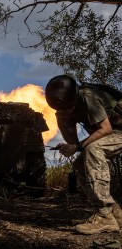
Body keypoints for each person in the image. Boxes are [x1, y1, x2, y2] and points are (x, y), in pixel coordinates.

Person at [45, 75, 122, 235]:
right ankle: (115, 213)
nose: (65, 111)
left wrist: (78, 146)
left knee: (93, 149)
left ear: (74, 98)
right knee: (79, 164)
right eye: (61, 109)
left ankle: (104, 215)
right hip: (113, 133)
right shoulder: (65, 109)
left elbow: (106, 129)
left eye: (68, 108)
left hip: (117, 131)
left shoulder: (88, 96)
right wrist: (64, 123)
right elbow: (73, 142)